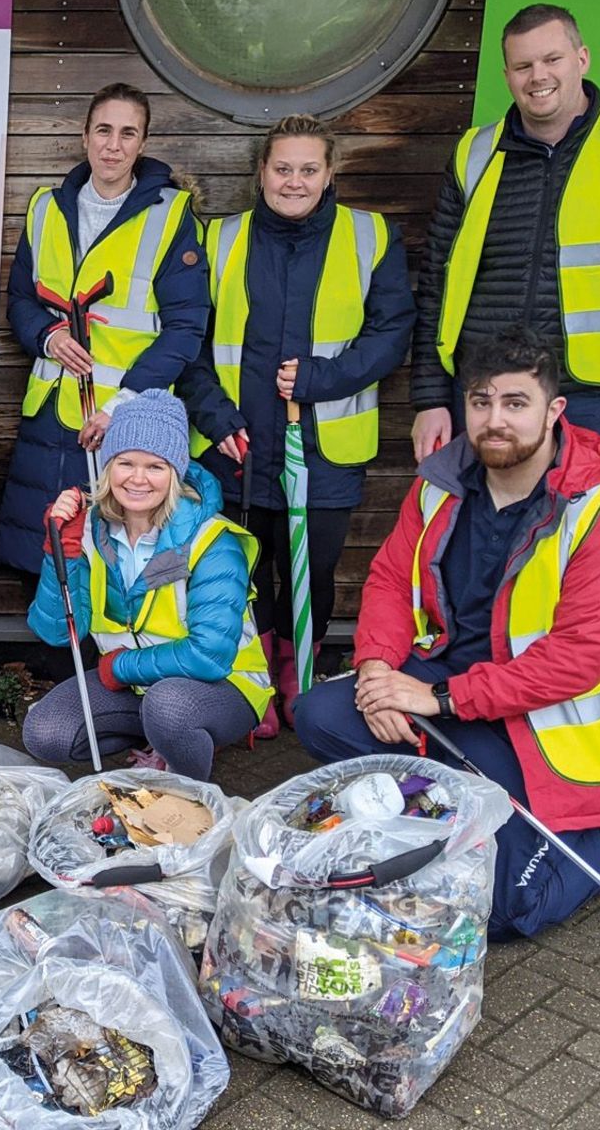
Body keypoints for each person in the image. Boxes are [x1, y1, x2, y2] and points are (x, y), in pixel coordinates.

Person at [296, 326, 600, 939]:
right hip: (451, 683)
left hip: (546, 719)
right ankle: (445, 812)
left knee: (501, 913)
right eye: (481, 402)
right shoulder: (440, 483)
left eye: (515, 403)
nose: (495, 420)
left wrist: (434, 700)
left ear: (553, 411)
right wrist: (377, 671)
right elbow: (390, 578)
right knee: (320, 715)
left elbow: (578, 660)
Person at [181, 115, 415, 737]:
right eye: (282, 168)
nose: (294, 181)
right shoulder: (219, 239)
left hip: (325, 446)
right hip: (237, 445)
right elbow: (189, 342)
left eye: (308, 169)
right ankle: (251, 678)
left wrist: (322, 380)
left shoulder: (370, 235)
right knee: (241, 572)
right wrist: (214, 414)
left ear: (330, 172)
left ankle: (297, 675)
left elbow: (392, 331)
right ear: (261, 172)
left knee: (312, 569)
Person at [409, 3, 600, 463]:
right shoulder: (474, 152)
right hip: (484, 390)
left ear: (582, 59)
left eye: (552, 60)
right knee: (485, 531)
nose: (538, 76)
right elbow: (437, 283)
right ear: (507, 75)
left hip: (588, 393)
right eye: (523, 66)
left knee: (580, 529)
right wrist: (430, 397)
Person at [0, 83, 210, 575]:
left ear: (143, 142)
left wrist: (123, 406)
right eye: (104, 131)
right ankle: (55, 654)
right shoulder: (46, 207)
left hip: (123, 421)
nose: (113, 146)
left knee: (107, 558)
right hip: (49, 408)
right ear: (84, 135)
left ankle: (108, 656)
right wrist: (47, 336)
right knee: (43, 548)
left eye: (128, 134)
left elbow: (185, 328)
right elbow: (22, 301)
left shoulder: (169, 215)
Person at [21, 391, 273, 775]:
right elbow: (56, 632)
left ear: (176, 472)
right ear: (108, 467)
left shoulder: (211, 541)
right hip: (141, 688)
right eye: (126, 463)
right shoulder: (91, 530)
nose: (138, 479)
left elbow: (210, 655)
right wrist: (63, 551)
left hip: (222, 686)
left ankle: (187, 794)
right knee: (45, 731)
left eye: (155, 466)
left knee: (169, 709)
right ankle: (159, 738)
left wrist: (121, 667)